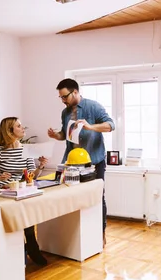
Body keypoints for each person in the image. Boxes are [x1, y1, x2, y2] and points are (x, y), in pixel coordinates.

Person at [47, 78, 115, 248]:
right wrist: (57, 136)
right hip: (72, 163)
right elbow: (65, 135)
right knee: (71, 196)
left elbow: (111, 125)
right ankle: (78, 236)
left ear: (75, 92)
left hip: (94, 162)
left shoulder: (94, 106)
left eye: (65, 97)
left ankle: (101, 233)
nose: (63, 100)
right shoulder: (65, 113)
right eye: (61, 98)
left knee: (98, 197)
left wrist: (91, 127)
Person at [0, 117, 49, 266]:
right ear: (9, 131)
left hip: (20, 190)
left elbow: (30, 177)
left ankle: (31, 248)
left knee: (27, 213)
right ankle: (23, 250)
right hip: (3, 192)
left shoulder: (26, 150)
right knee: (17, 215)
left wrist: (41, 166)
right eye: (19, 126)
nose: (23, 128)